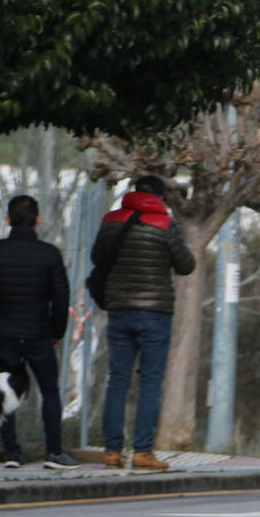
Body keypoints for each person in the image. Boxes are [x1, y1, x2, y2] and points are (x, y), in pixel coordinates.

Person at [92, 175, 195, 470]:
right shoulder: (165, 223)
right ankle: (142, 452)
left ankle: (112, 452)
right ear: (161, 197)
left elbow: (97, 256)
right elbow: (186, 265)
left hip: (119, 309)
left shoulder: (111, 220)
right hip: (155, 312)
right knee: (150, 381)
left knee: (118, 380)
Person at [0, 194, 77, 470]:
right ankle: (54, 452)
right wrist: (57, 331)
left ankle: (12, 453)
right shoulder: (49, 254)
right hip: (39, 332)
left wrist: (1, 302)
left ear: (8, 220)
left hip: (5, 331)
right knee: (49, 391)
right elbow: (62, 298)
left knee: (5, 391)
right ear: (38, 220)